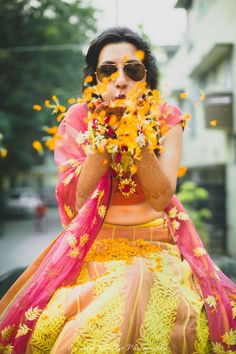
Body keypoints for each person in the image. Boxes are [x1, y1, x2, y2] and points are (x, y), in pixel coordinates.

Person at [0, 27, 235, 354]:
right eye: (107, 70)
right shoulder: (78, 118)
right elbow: (78, 200)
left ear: (146, 77)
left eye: (132, 70)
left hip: (157, 249)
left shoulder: (166, 118)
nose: (120, 79)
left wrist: (135, 136)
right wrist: (103, 139)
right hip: (94, 250)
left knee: (144, 294)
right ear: (94, 79)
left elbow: (160, 197)